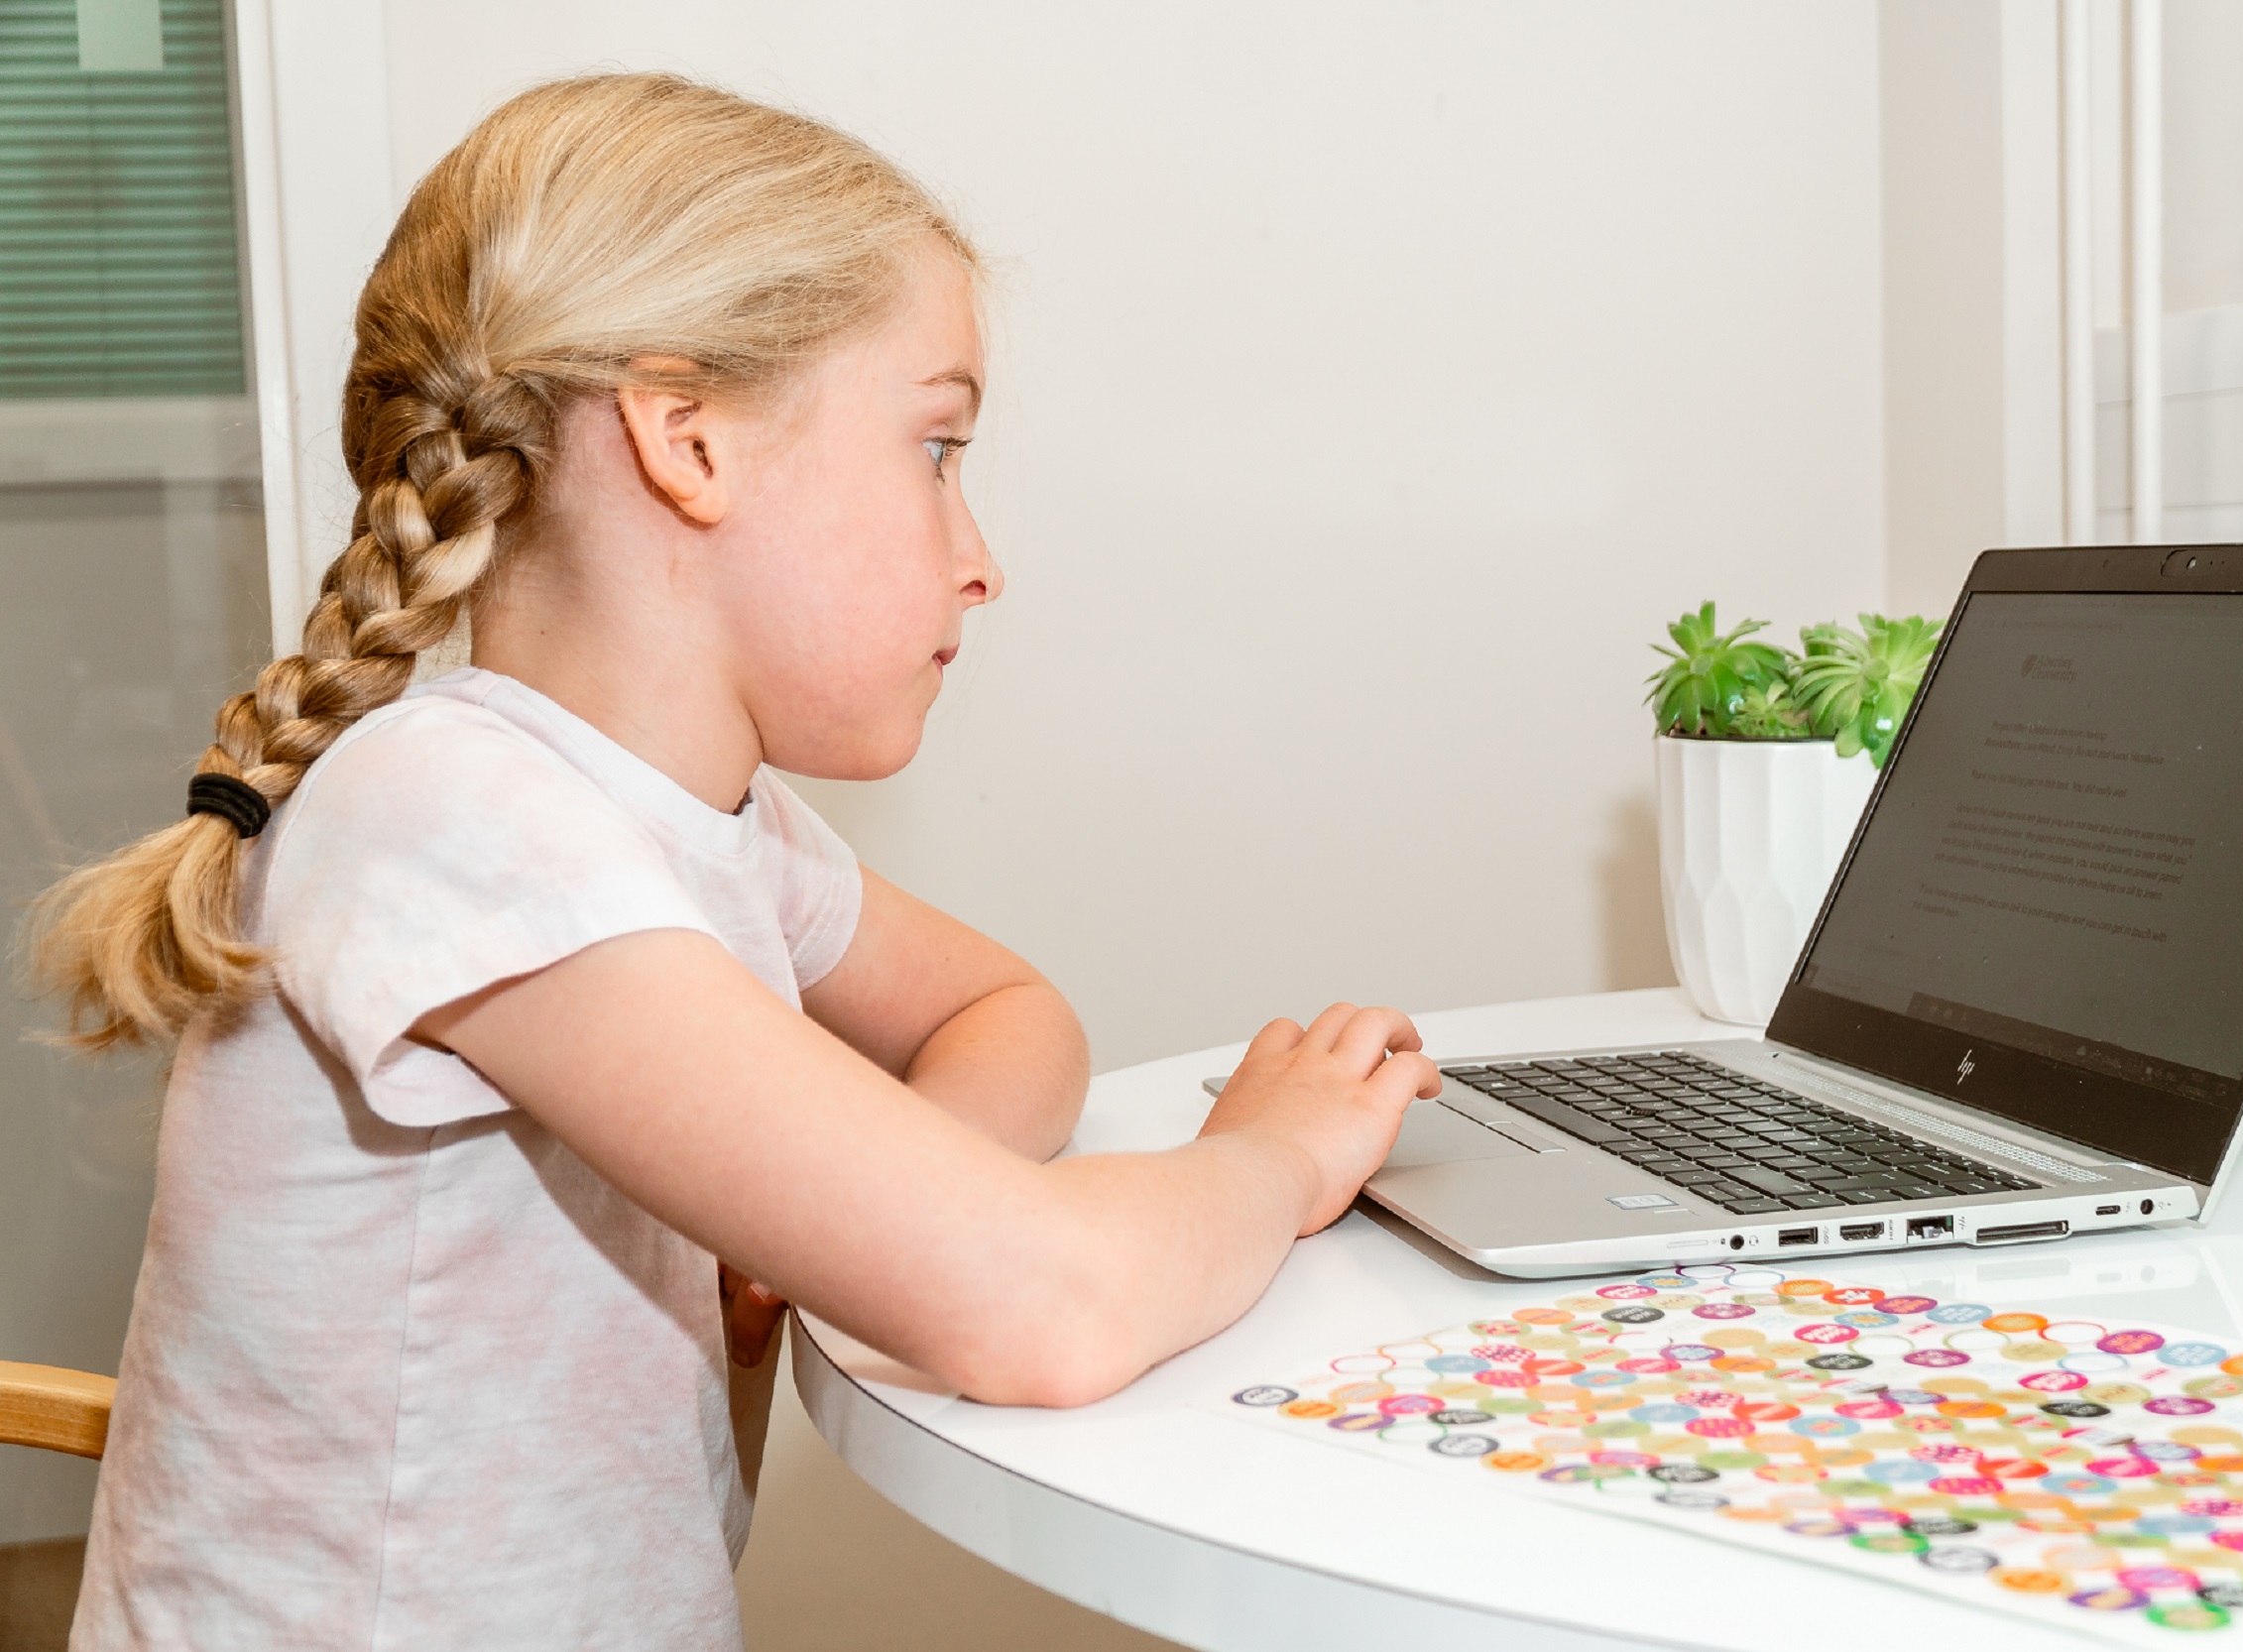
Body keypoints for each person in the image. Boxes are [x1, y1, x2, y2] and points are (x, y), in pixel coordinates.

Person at [31, 73, 1435, 1649]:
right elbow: (1044, 1309)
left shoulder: (707, 821)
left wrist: (844, 1217)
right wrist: (1278, 1159)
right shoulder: (451, 817)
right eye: (935, 445)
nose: (981, 556)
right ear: (686, 437)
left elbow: (1009, 1010)